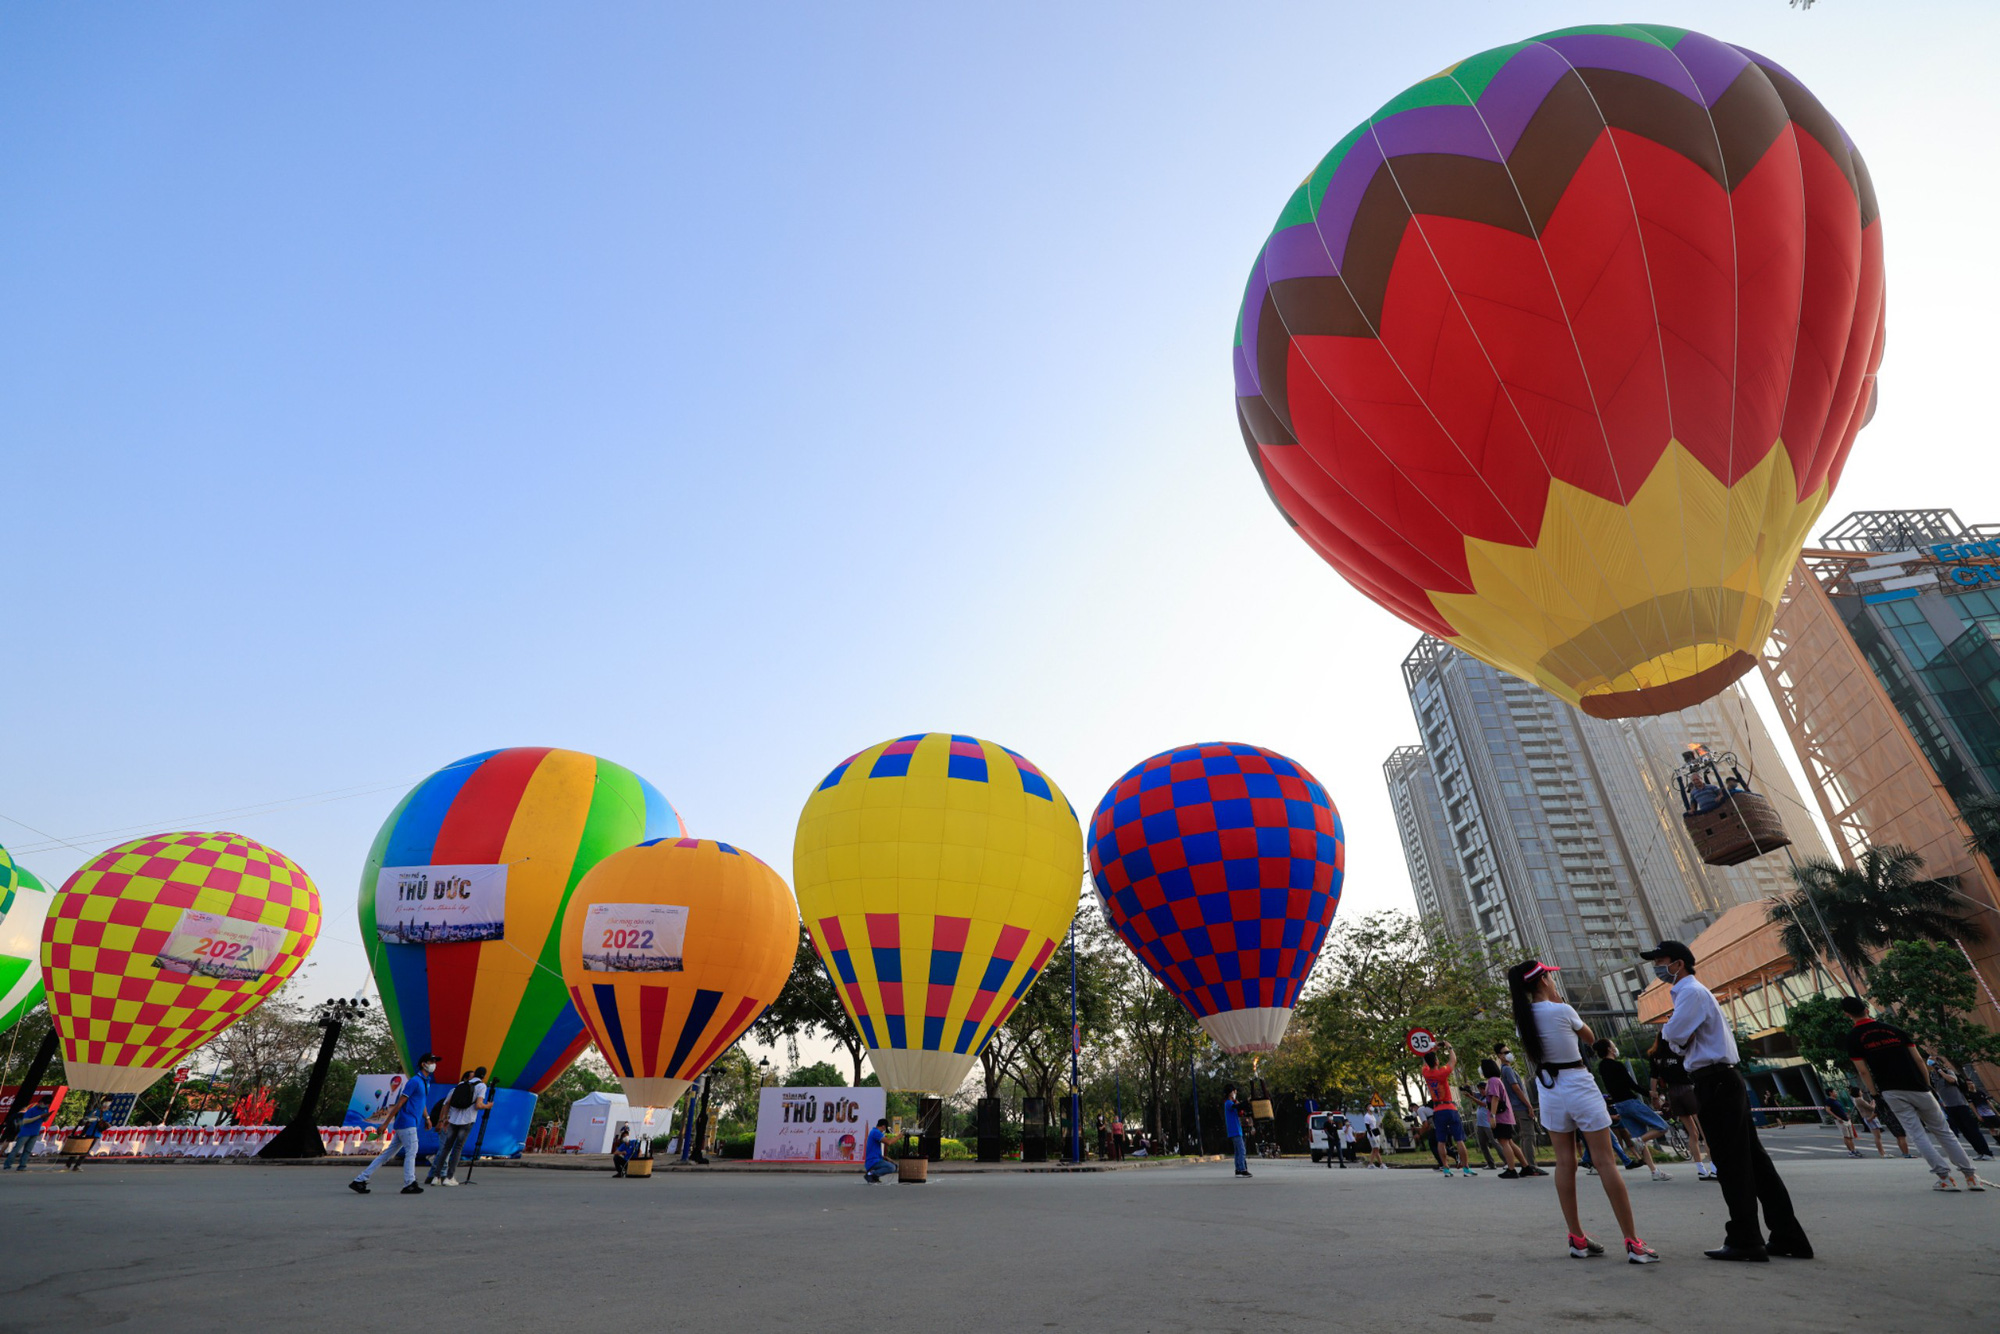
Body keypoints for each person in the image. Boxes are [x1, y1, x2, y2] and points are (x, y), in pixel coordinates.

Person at [1646, 941, 1809, 1261]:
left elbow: (1672, 1038)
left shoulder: (1690, 993)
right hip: (1721, 1080)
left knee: (1731, 1163)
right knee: (1756, 1162)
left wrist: (1672, 1034)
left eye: (1660, 962)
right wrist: (1674, 1036)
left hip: (1715, 1082)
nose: (1656, 969)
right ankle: (1788, 1236)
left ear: (1678, 964)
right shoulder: (1689, 994)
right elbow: (1676, 1042)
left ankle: (1746, 1239)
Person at [1506, 960, 1658, 1263]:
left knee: (1565, 1162)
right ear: (1543, 981)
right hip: (1577, 1083)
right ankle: (1633, 1242)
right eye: (1549, 976)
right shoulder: (1561, 1010)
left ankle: (1577, 1238)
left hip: (1549, 1089)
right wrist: (1560, 1002)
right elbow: (1590, 1039)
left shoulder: (1522, 1021)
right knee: (1605, 1161)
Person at [1841, 997, 1983, 1192]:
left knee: (1917, 1134)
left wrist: (1874, 1094)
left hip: (1891, 1090)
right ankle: (1971, 1176)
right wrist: (1926, 1084)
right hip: (1919, 1087)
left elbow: (1863, 1071)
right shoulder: (1894, 1030)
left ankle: (1945, 1178)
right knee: (1944, 1131)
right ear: (1866, 1009)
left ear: (1847, 1014)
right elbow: (1918, 1059)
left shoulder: (1853, 1038)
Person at [350, 1052, 437, 1195]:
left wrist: (427, 1118)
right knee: (412, 1151)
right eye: (432, 1061)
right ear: (423, 1064)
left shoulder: (425, 1082)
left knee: (387, 1154)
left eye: (435, 1061)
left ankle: (360, 1180)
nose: (434, 1064)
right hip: (407, 1122)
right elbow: (399, 1103)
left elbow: (422, 1103)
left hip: (410, 1122)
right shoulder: (415, 1081)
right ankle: (409, 1183)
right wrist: (385, 1124)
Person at [1593, 1040, 1672, 1181]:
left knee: (1640, 1141)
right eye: (1613, 1045)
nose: (1615, 1047)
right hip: (1630, 1102)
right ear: (1610, 1049)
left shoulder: (1602, 1067)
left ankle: (1654, 1171)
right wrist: (1649, 1093)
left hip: (1620, 1105)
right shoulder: (1617, 1065)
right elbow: (1630, 1084)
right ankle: (1639, 1140)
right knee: (1662, 1127)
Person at [1647, 1035, 1711, 1181]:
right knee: (1704, 1131)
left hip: (1673, 1093)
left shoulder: (1654, 1056)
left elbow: (1653, 1077)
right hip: (1688, 1090)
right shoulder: (1678, 1050)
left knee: (1692, 1134)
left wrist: (1655, 1097)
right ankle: (1714, 1167)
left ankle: (1701, 1169)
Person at [428, 1067, 490, 1186]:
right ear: (484, 1076)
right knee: (457, 1149)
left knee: (446, 1148)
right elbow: (478, 1105)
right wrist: (488, 1106)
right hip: (467, 1121)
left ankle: (436, 1177)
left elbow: (446, 1103)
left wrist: (444, 1119)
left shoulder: (460, 1085)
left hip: (453, 1121)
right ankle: (449, 1177)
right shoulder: (481, 1086)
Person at [1421, 1043, 1476, 1177]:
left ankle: (1446, 1168)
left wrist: (1430, 1051)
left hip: (1438, 1110)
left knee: (1441, 1141)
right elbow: (1453, 1061)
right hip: (1450, 1108)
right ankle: (1466, 1168)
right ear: (1436, 1061)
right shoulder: (1442, 1072)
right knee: (1459, 1140)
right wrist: (1449, 1047)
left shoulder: (1426, 1073)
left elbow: (1424, 1063)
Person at [1494, 1040, 1547, 1176]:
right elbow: (1516, 1088)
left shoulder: (1505, 1070)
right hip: (1519, 1106)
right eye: (1505, 1053)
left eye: (1509, 1052)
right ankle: (1531, 1166)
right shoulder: (1507, 1070)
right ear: (1499, 1056)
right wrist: (1528, 1105)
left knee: (1524, 1136)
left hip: (1515, 1107)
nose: (1509, 1054)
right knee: (1529, 1136)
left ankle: (1527, 1165)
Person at [1930, 1061, 1994, 1161]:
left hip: (1961, 1105)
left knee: (1973, 1130)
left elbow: (1952, 1080)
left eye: (1934, 1064)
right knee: (1965, 1131)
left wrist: (1940, 1071)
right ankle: (1979, 1152)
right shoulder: (1933, 1076)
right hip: (1949, 1107)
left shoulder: (1948, 1072)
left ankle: (1987, 1153)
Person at [1480, 1058, 1532, 1179]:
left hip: (1500, 1117)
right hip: (1505, 1116)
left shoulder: (1492, 1081)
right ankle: (1525, 1166)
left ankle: (1511, 1169)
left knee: (1504, 1142)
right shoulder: (1496, 1080)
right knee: (1509, 1142)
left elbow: (1495, 1098)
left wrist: (1492, 1116)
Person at [4, 1094, 52, 1172]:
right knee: (17, 1149)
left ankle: (22, 1166)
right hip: (25, 1132)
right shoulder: (32, 1110)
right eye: (44, 1103)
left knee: (28, 1150)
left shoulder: (46, 1109)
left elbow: (44, 1120)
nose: (45, 1105)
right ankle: (7, 1165)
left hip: (35, 1132)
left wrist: (46, 1116)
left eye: (47, 1104)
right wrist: (39, 1116)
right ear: (40, 1102)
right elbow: (25, 1121)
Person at [64, 1101, 111, 1171]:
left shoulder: (109, 1114)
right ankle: (68, 1164)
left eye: (107, 1105)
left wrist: (104, 1124)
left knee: (86, 1150)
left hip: (96, 1133)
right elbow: (87, 1119)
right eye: (104, 1104)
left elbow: (108, 1123)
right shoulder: (95, 1111)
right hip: (87, 1132)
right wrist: (92, 1119)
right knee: (78, 1148)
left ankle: (77, 1165)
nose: (105, 1106)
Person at [1825, 1084, 1863, 1159]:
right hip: (1840, 1120)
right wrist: (1837, 1117)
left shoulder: (1836, 1100)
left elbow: (1840, 1110)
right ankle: (1851, 1151)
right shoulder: (1829, 1101)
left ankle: (1854, 1150)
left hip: (1845, 1119)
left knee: (1850, 1136)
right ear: (1830, 1093)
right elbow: (1828, 1110)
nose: (1836, 1093)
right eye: (1834, 1091)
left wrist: (1846, 1115)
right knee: (1846, 1137)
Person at [1222, 1084, 1250, 1178]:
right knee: (1242, 1150)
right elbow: (1238, 1106)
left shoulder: (1231, 1103)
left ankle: (1238, 1170)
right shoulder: (1228, 1103)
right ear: (1230, 1093)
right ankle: (1242, 1169)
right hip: (1235, 1130)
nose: (1235, 1093)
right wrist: (1247, 1101)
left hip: (1237, 1130)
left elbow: (1240, 1108)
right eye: (1234, 1091)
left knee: (1238, 1152)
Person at [863, 1117, 895, 1183]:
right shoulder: (876, 1132)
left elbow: (873, 1151)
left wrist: (885, 1158)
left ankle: (874, 1177)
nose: (883, 1131)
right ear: (883, 1126)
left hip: (873, 1160)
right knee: (892, 1167)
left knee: (892, 1164)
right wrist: (899, 1136)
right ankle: (870, 1174)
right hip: (873, 1162)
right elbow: (889, 1142)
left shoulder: (873, 1132)